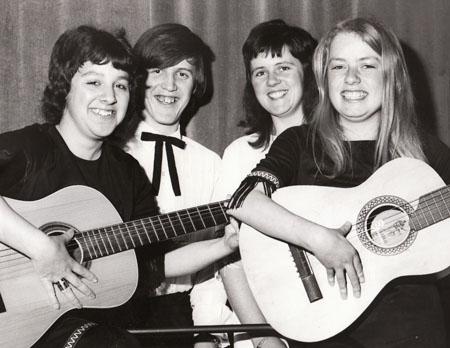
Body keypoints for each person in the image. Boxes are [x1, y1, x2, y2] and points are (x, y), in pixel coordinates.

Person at [0, 25, 237, 348]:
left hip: (69, 326)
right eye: (94, 82)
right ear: (64, 88)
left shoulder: (128, 173)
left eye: (121, 85)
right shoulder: (33, 148)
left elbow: (153, 266)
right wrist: (39, 247)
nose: (109, 97)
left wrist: (224, 245)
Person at [226, 17, 450, 347]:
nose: (352, 79)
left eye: (368, 65)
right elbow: (243, 200)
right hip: (322, 322)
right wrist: (320, 240)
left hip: (411, 326)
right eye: (338, 67)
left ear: (392, 77)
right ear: (323, 78)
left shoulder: (424, 148)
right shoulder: (300, 141)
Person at [114, 23, 232, 348]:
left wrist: (208, 333)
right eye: (157, 70)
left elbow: (217, 261)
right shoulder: (110, 153)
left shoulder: (211, 164)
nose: (169, 84)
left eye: (182, 74)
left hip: (180, 316)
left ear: (196, 85)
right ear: (138, 79)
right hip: (111, 315)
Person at [215, 19, 317, 348]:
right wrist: (263, 339)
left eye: (284, 67)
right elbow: (230, 258)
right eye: (260, 72)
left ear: (308, 72)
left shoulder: (338, 144)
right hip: (268, 322)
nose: (272, 81)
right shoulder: (238, 155)